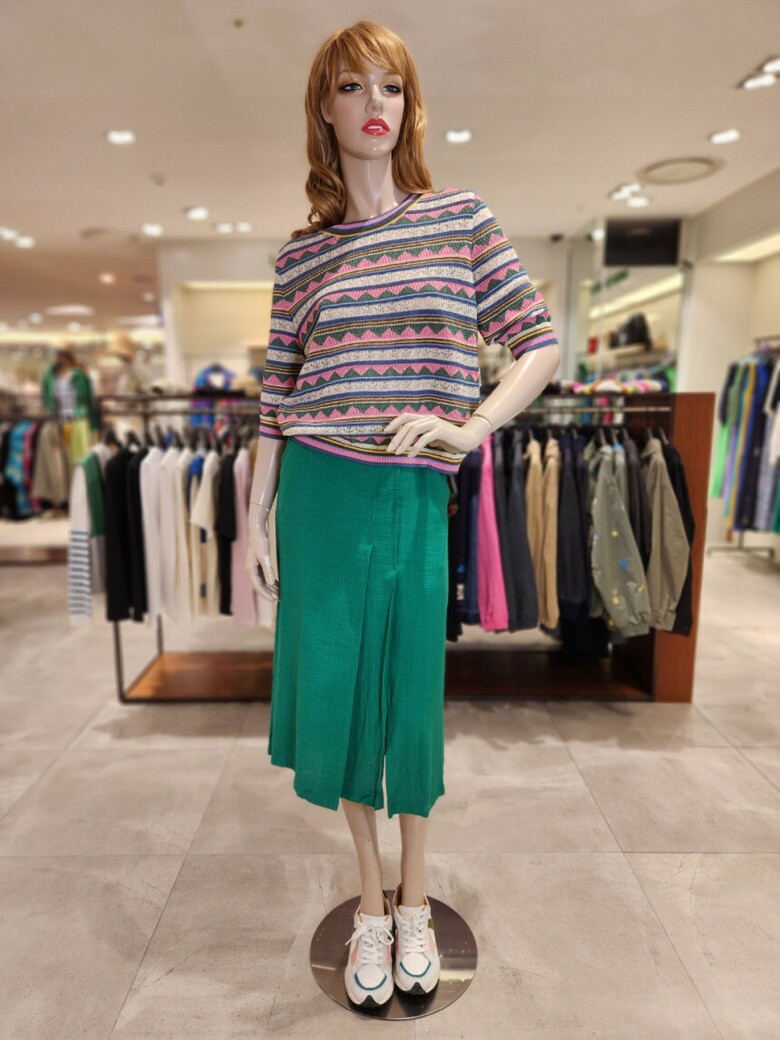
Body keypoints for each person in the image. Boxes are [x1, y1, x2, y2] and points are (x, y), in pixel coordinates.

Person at [245, 21, 560, 1008]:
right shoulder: (302, 257)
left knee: (411, 694)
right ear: (325, 108)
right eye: (351, 86)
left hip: (414, 485)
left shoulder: (460, 220)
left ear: (409, 106)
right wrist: (255, 519)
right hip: (319, 493)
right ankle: (373, 900)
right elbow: (275, 400)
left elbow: (538, 342)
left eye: (389, 85)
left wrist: (473, 427)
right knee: (339, 694)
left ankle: (417, 896)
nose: (372, 102)